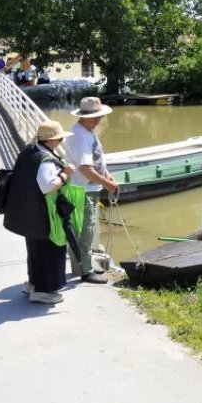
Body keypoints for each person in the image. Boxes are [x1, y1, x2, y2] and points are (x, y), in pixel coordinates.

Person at [3, 120, 76, 304]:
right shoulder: (45, 160)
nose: (60, 143)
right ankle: (43, 291)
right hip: (43, 215)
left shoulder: (29, 152)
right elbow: (48, 186)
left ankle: (33, 284)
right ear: (52, 141)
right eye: (59, 139)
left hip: (28, 212)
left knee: (35, 251)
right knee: (49, 251)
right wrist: (65, 174)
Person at [63, 96, 118, 283]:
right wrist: (107, 184)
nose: (101, 119)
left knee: (86, 228)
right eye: (99, 116)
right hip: (83, 189)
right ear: (92, 117)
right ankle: (84, 271)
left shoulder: (87, 131)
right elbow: (85, 169)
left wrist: (107, 174)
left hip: (88, 187)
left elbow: (96, 159)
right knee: (86, 230)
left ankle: (82, 266)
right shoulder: (80, 136)